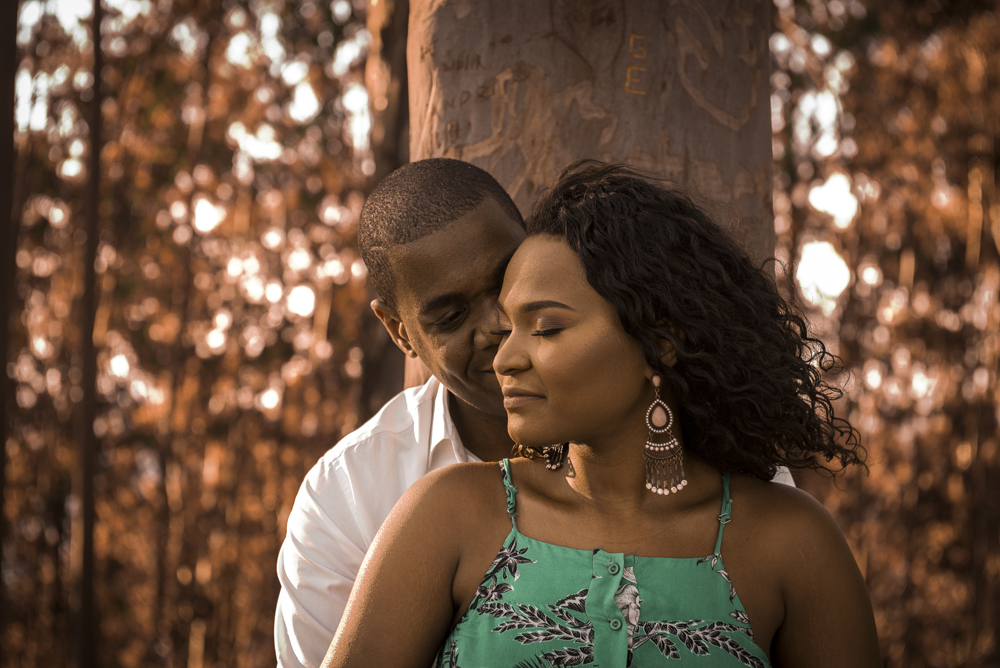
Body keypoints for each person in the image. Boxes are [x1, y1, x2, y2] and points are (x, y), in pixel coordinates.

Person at [323, 161, 880, 667]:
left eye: (544, 328)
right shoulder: (442, 518)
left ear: (659, 340)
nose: (505, 356)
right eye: (510, 327)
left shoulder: (793, 543)